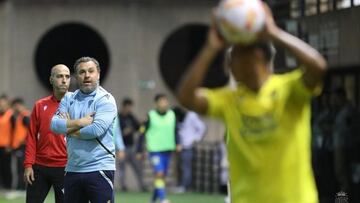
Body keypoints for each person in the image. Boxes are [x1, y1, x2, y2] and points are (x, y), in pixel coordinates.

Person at [176, 3, 327, 203]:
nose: (228, 65)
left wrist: (273, 32)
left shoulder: (289, 90)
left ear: (256, 56)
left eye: (233, 57)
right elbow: (186, 97)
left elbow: (317, 67)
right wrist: (211, 47)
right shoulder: (229, 100)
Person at [51, 57, 118, 203]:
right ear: (76, 76)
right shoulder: (68, 98)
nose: (87, 75)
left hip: (99, 168)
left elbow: (95, 130)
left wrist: (68, 129)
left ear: (98, 74)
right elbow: (55, 125)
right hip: (72, 169)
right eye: (82, 72)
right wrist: (81, 122)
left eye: (91, 71)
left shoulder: (105, 99)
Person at [23, 64, 70, 203]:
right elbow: (31, 137)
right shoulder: (39, 105)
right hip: (39, 167)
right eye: (59, 76)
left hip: (65, 168)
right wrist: (28, 165)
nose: (64, 80)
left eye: (67, 76)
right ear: (51, 79)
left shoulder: (76, 105)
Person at [137, 94, 181, 203]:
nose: (164, 104)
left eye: (165, 101)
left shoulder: (172, 115)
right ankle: (163, 199)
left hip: (168, 149)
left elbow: (176, 131)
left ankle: (152, 200)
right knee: (159, 173)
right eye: (161, 101)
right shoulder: (150, 116)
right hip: (155, 150)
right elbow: (141, 133)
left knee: (161, 177)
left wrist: (178, 143)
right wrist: (139, 150)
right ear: (156, 104)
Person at [118, 98, 146, 192]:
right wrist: (124, 132)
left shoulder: (131, 116)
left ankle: (142, 186)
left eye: (131, 107)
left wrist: (141, 123)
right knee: (122, 168)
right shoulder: (118, 117)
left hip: (132, 147)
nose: (130, 109)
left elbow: (138, 128)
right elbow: (115, 133)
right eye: (128, 107)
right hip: (122, 148)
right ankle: (123, 187)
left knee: (138, 167)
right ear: (124, 107)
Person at [174, 109, 206, 193]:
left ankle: (185, 186)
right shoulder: (180, 120)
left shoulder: (191, 115)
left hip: (188, 146)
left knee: (186, 167)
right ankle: (182, 185)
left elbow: (202, 127)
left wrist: (195, 139)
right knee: (181, 167)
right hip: (180, 146)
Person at [10, 98, 30, 190]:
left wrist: (24, 140)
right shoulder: (20, 116)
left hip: (23, 146)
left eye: (17, 105)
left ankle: (22, 188)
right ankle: (20, 187)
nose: (15, 108)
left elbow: (31, 130)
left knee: (21, 168)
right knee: (19, 168)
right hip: (18, 146)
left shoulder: (25, 116)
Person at [0, 94, 13, 190]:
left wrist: (11, 144)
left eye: (3, 103)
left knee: (6, 167)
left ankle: (8, 186)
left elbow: (14, 131)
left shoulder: (11, 115)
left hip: (6, 146)